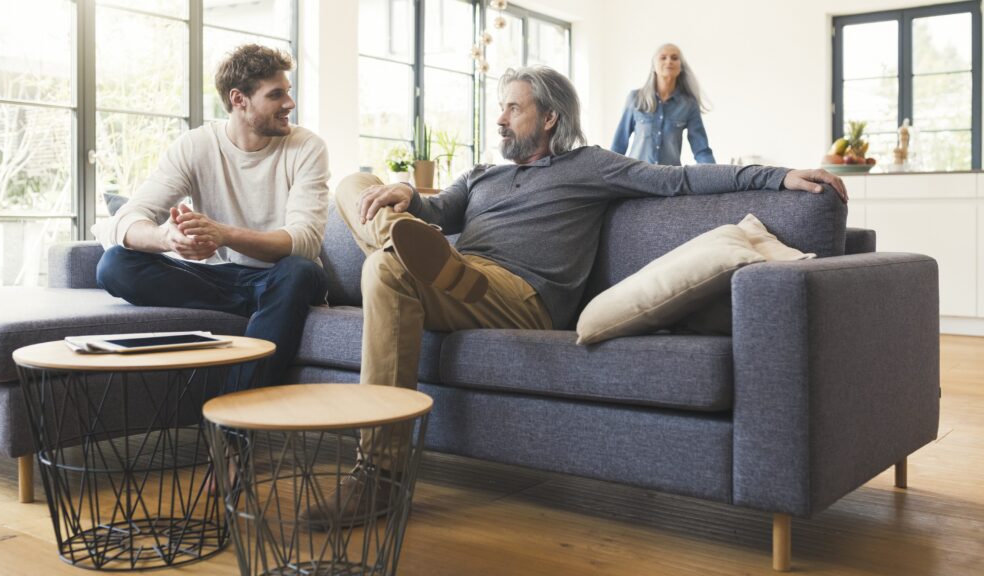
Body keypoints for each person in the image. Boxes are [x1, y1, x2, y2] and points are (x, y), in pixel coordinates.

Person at [322, 65, 847, 522]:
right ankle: (401, 250)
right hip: (451, 277)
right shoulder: (482, 175)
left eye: (513, 109)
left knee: (387, 270)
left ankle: (379, 476)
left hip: (519, 295)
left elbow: (681, 180)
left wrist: (778, 175)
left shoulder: (591, 166)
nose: (500, 119)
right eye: (500, 109)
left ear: (549, 117)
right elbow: (436, 215)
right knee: (358, 194)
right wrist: (405, 195)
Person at [93, 44, 330, 388]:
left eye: (288, 93)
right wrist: (166, 238)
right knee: (115, 263)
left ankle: (232, 420)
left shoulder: (307, 148)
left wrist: (223, 234)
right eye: (276, 95)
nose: (289, 104)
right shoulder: (196, 145)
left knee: (299, 271)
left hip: (280, 275)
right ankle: (264, 309)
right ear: (239, 99)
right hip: (220, 279)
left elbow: (304, 242)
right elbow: (128, 219)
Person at [611, 43, 714, 166]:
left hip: (670, 181)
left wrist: (716, 178)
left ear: (681, 67)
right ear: (654, 65)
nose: (669, 61)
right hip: (635, 180)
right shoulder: (635, 98)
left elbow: (701, 150)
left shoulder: (689, 104)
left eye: (674, 58)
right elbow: (618, 145)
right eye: (663, 57)